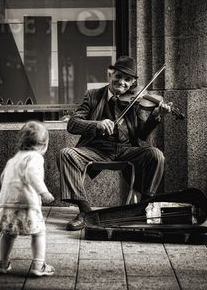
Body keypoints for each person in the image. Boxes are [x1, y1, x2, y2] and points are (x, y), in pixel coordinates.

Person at [58, 56, 171, 231]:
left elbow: (142, 134)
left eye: (128, 80)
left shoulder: (136, 101)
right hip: (97, 149)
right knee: (66, 153)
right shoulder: (93, 95)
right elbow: (73, 124)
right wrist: (97, 125)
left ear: (133, 82)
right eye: (119, 76)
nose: (122, 82)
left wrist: (156, 117)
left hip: (127, 149)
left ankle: (143, 206)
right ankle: (85, 212)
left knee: (156, 155)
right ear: (111, 74)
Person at [0, 121, 55, 276]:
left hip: (7, 202)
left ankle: (2, 263)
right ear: (44, 145)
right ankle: (38, 266)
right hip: (27, 203)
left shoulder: (13, 159)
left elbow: (3, 178)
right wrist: (43, 192)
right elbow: (32, 175)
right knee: (39, 232)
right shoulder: (35, 157)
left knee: (8, 232)